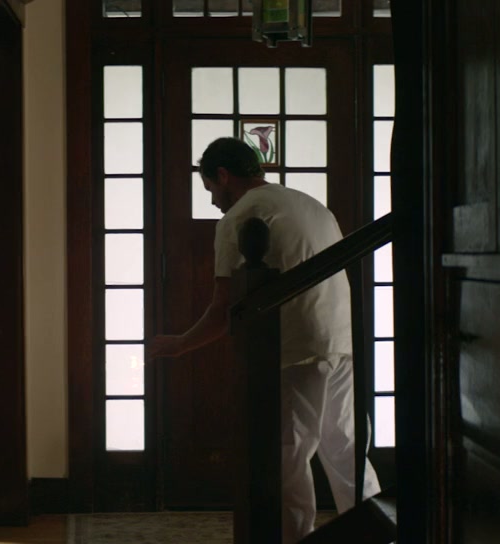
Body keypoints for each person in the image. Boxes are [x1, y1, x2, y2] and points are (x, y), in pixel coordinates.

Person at [147, 137, 381, 544]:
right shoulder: (311, 204)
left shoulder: (241, 216)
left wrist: (179, 344)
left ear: (223, 175)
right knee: (347, 453)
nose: (213, 202)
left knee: (286, 459)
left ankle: (293, 538)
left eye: (210, 189)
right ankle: (378, 535)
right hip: (343, 341)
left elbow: (223, 308)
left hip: (296, 347)